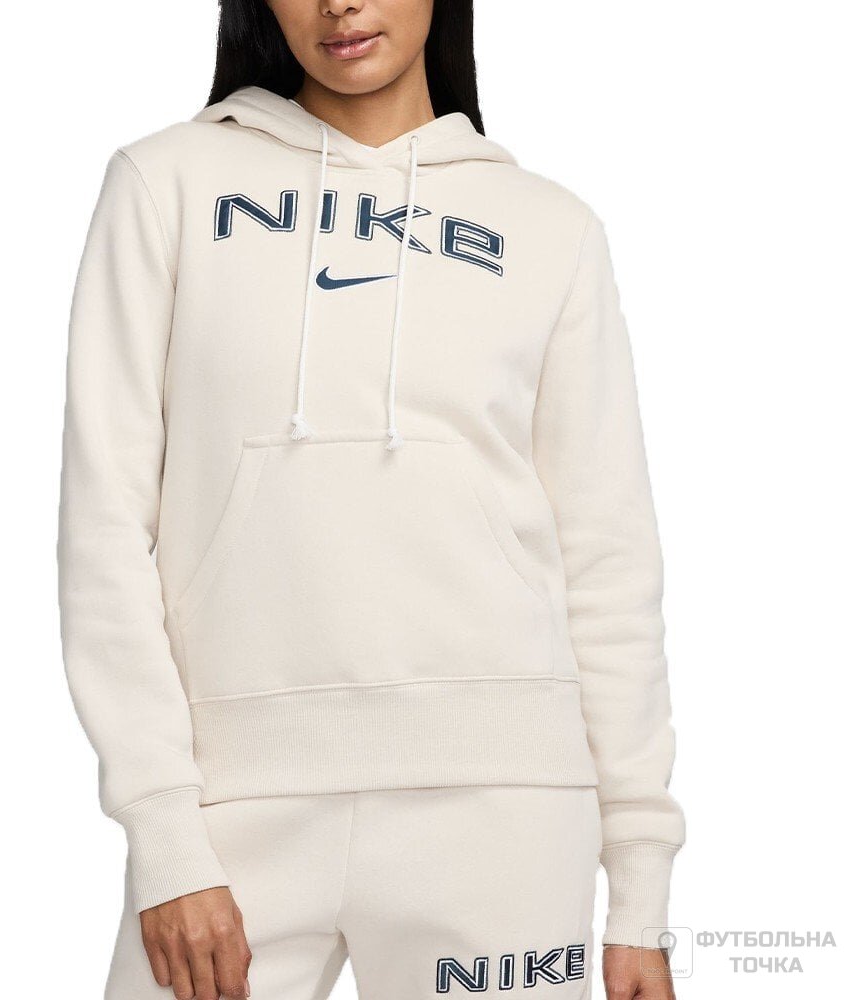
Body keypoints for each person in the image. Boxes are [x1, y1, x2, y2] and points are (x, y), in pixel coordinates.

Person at [57, 2, 686, 998]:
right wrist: (164, 833)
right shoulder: (166, 183)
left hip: (503, 809)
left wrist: (640, 885)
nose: (338, 3)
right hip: (230, 804)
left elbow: (608, 556)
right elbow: (103, 526)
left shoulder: (550, 229)